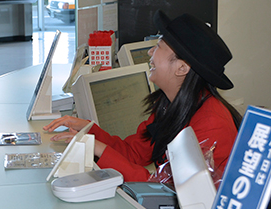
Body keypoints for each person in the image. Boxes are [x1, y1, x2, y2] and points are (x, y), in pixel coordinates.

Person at [43, 10, 242, 182]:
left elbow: (164, 190)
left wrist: (96, 147)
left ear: (182, 67)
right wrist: (88, 132)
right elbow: (135, 153)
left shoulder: (211, 123)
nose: (150, 53)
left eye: (159, 47)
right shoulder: (170, 104)